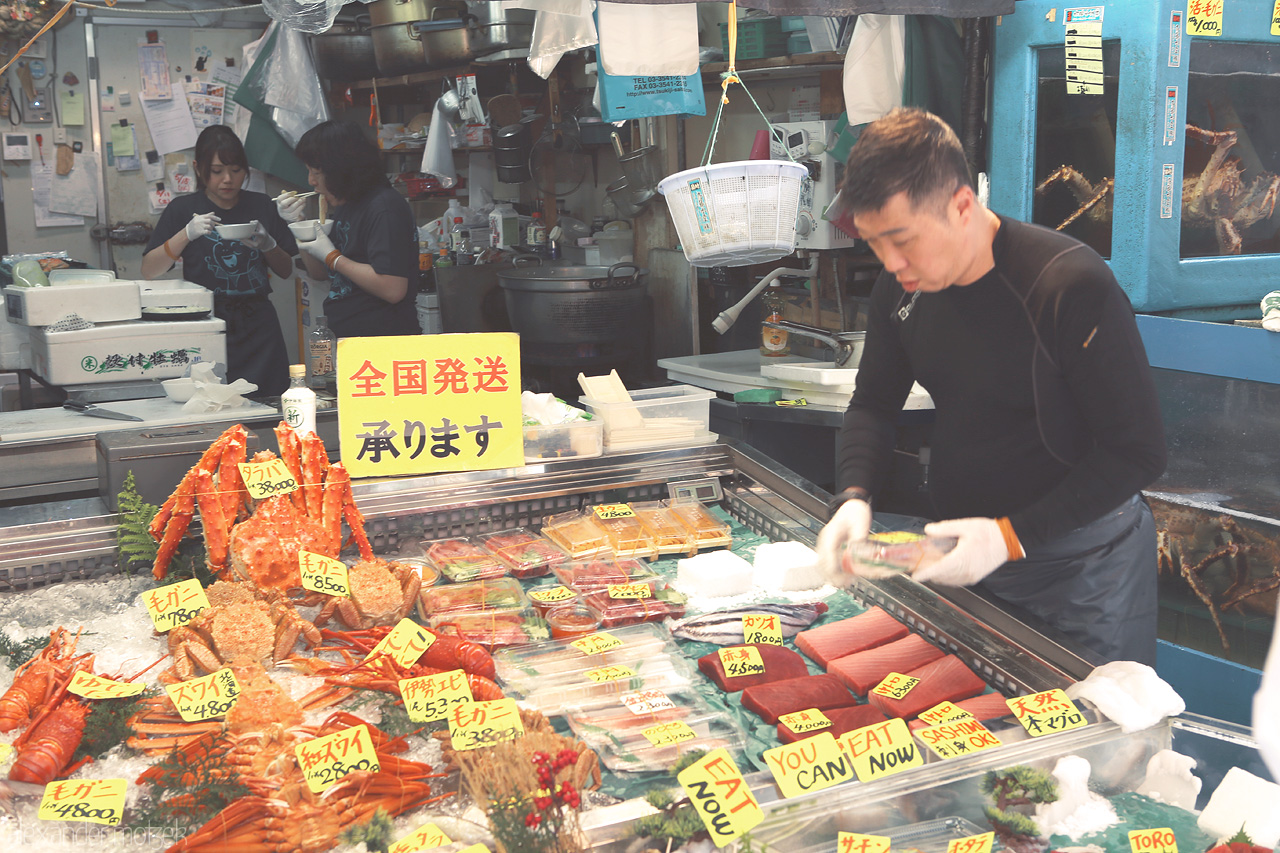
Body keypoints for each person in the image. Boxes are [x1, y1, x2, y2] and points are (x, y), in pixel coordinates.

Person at [816, 108, 1167, 666]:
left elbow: (1138, 452)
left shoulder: (1068, 283)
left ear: (960, 206)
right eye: (875, 243)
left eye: (902, 240)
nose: (891, 262)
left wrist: (1008, 538)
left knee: (1095, 737)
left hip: (1083, 569)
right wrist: (854, 497)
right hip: (959, 558)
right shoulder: (901, 288)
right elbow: (874, 405)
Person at [142, 125, 297, 397]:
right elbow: (149, 270)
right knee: (210, 404)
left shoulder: (262, 205)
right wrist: (186, 234)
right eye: (217, 171)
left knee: (267, 403)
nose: (228, 179)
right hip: (206, 322)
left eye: (236, 170)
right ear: (198, 168)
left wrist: (269, 245)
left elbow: (286, 270)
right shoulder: (182, 209)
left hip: (258, 325)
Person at [289, 120, 421, 338]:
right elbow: (319, 273)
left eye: (316, 172)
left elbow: (393, 288)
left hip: (382, 339)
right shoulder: (347, 202)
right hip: (345, 335)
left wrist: (333, 257)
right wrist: (298, 226)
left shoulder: (384, 208)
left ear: (341, 169)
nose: (310, 181)